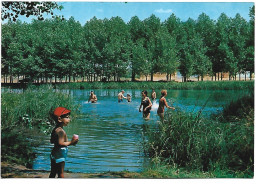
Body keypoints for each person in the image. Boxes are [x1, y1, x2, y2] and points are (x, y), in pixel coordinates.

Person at [49, 107, 79, 178]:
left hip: (54, 153)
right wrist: (71, 142)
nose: (69, 119)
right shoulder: (60, 131)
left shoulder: (55, 129)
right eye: (67, 117)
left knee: (53, 172)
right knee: (61, 173)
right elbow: (61, 143)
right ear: (59, 119)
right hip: (60, 155)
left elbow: (51, 141)